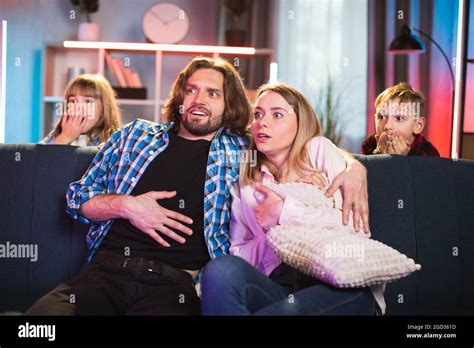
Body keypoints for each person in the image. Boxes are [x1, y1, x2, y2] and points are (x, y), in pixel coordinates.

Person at [26, 57, 369, 316]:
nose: (198, 99)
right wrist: (127, 205)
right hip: (106, 272)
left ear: (230, 104)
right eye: (190, 90)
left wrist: (356, 168)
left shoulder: (242, 150)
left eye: (212, 92)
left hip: (175, 285)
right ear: (179, 97)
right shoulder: (134, 135)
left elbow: (295, 139)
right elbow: (77, 198)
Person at [201, 83, 385, 315]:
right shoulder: (247, 180)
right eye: (258, 114)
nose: (262, 122)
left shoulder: (319, 150)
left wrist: (285, 212)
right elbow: (239, 250)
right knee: (221, 269)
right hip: (281, 286)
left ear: (301, 122)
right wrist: (272, 233)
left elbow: (355, 230)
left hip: (340, 285)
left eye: (277, 114)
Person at [40, 74, 121, 146]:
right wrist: (64, 137)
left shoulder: (114, 142)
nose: (78, 107)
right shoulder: (59, 134)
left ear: (104, 109)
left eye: (87, 101)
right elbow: (36, 158)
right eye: (73, 101)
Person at [362, 82, 440, 156]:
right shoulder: (370, 144)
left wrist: (402, 161)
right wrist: (378, 155)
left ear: (418, 125)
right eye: (381, 117)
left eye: (399, 118)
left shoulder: (428, 153)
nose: (387, 126)